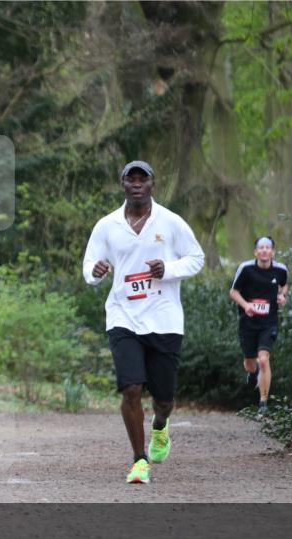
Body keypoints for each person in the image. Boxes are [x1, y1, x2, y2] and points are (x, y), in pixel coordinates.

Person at [82, 160, 205, 484]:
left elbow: (197, 258)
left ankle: (160, 426)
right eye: (131, 179)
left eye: (143, 179)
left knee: (164, 400)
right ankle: (139, 460)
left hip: (164, 318)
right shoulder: (107, 225)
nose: (137, 184)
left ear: (152, 184)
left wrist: (168, 269)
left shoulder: (171, 222)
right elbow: (89, 264)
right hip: (123, 315)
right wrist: (95, 272)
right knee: (131, 389)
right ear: (122, 184)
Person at [228, 236, 289, 416]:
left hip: (269, 322)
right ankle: (253, 373)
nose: (264, 250)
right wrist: (246, 305)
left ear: (273, 252)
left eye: (267, 247)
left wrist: (282, 296)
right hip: (248, 322)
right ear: (255, 252)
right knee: (250, 363)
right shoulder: (246, 268)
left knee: (263, 359)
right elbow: (233, 291)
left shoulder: (281, 269)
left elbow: (284, 285)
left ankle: (263, 402)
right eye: (261, 248)